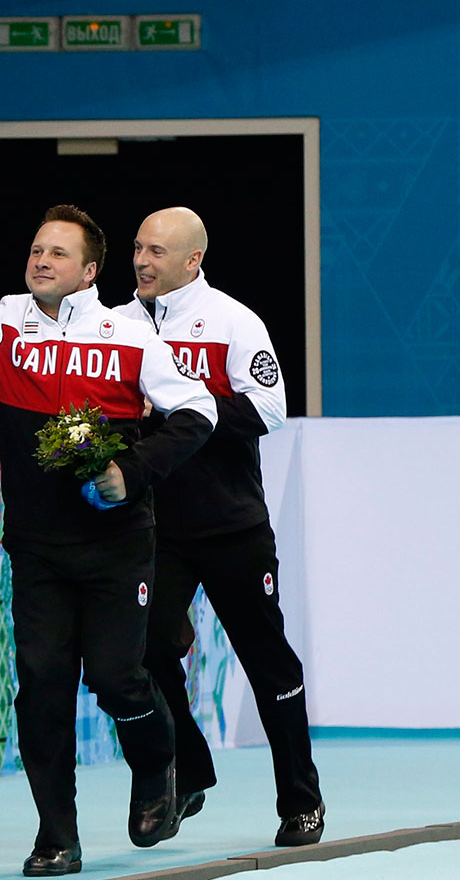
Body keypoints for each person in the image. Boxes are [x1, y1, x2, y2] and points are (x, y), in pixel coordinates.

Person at [0, 202, 218, 877]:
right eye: (37, 249)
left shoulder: (127, 336)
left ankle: (160, 763)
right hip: (37, 549)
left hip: (117, 544)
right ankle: (56, 833)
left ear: (90, 271)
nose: (41, 259)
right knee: (40, 687)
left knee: (115, 678)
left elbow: (199, 410)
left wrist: (132, 470)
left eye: (58, 253)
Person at [117, 206, 325, 846]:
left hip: (231, 525)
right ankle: (190, 771)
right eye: (137, 249)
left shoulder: (235, 321)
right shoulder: (114, 324)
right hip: (154, 528)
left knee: (267, 661)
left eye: (156, 252)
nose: (142, 262)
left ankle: (301, 800)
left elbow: (270, 409)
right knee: (144, 653)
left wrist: (183, 409)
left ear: (191, 262)